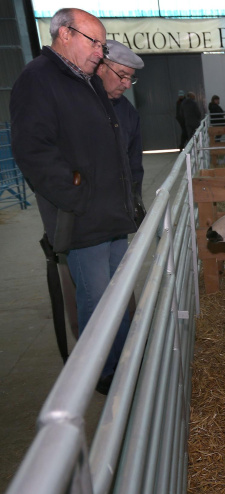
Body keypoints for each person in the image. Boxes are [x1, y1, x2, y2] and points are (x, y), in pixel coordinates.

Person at [10, 7, 138, 395]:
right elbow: (33, 150)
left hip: (112, 216)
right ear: (64, 34)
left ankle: (125, 362)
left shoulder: (85, 81)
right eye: (94, 41)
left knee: (119, 297)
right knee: (97, 301)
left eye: (101, 43)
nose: (100, 51)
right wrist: (76, 195)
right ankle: (100, 373)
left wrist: (125, 198)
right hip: (82, 221)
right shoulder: (38, 80)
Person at [96, 39, 146, 227]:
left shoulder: (128, 113)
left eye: (130, 78)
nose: (127, 85)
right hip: (85, 216)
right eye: (122, 76)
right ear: (101, 68)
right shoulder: (77, 105)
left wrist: (134, 199)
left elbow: (134, 163)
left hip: (117, 212)